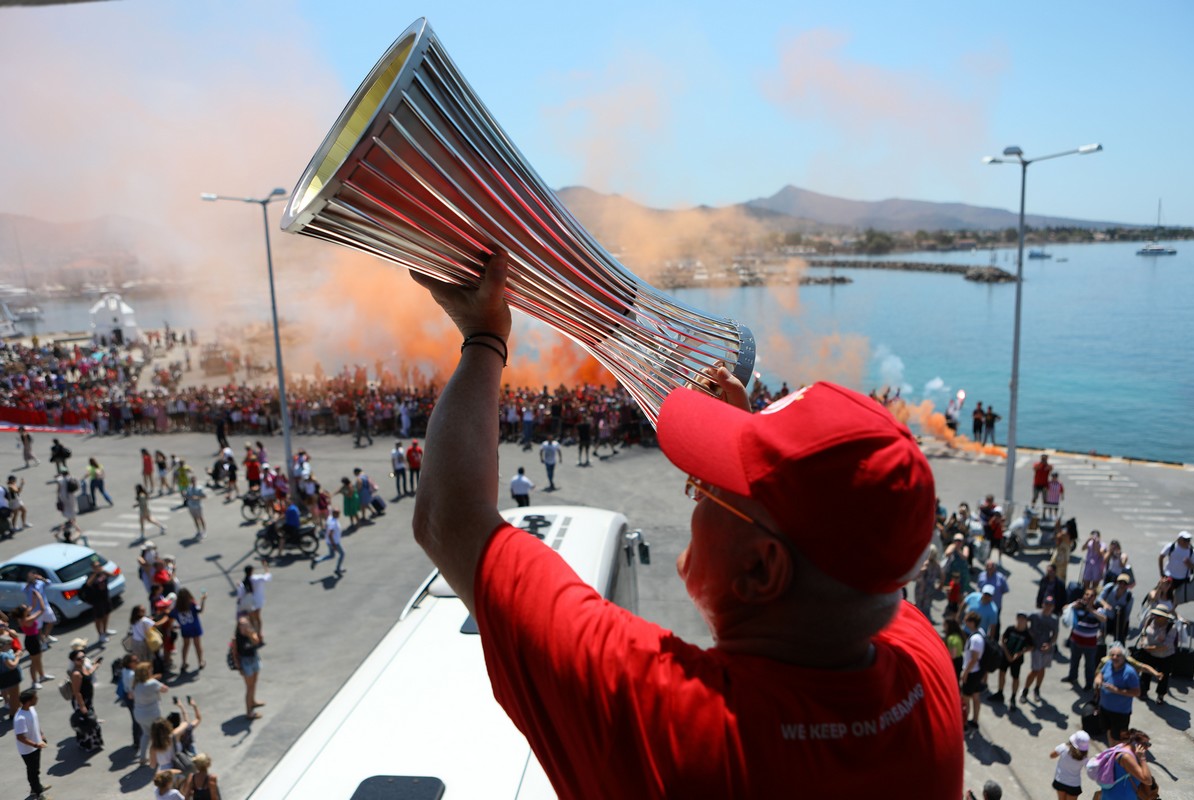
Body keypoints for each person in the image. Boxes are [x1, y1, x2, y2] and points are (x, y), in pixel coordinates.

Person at [409, 252, 963, 796]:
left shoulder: (672, 724)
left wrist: (484, 336)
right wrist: (755, 461)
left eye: (708, 488)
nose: (697, 491)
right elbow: (858, 546)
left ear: (762, 569)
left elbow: (448, 516)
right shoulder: (926, 673)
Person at [1094, 642, 1141, 746]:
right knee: (1109, 731)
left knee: (1120, 738)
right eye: (1112, 655)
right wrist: (1098, 679)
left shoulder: (1130, 673)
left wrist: (1116, 690)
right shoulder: (1108, 664)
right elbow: (1100, 674)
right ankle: (1112, 751)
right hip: (1105, 708)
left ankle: (1120, 756)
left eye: (1118, 656)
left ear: (1124, 657)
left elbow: (1137, 692)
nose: (1114, 657)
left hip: (1120, 712)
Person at [990, 612, 1034, 709]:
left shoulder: (1027, 634)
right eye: (1019, 618)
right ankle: (1000, 693)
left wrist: (1020, 653)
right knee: (1002, 673)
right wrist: (1006, 653)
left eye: (1023, 619)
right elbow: (1003, 640)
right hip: (1006, 656)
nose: (1021, 620)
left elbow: (1031, 647)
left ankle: (1013, 697)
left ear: (1026, 621)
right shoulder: (1011, 629)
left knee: (1015, 677)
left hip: (1017, 659)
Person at [1064, 588, 1104, 690]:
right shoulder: (1078, 606)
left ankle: (1089, 683)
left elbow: (1103, 618)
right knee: (1074, 660)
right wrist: (1073, 606)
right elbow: (1065, 609)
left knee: (1089, 665)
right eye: (1086, 595)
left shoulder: (1098, 608)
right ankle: (1072, 677)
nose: (1088, 597)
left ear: (1095, 598)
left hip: (1090, 643)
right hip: (1076, 640)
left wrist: (1090, 609)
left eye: (1091, 596)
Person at [1021, 596, 1059, 703]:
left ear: (1053, 607)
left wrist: (1050, 644)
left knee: (1042, 669)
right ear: (1043, 604)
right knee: (1035, 670)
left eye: (1050, 605)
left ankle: (1037, 689)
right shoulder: (1034, 615)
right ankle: (1025, 691)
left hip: (1046, 649)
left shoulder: (1054, 619)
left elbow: (1055, 634)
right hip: (1036, 647)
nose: (1047, 607)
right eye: (1046, 604)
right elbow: (1023, 619)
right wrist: (1028, 633)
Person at [1135, 608, 1177, 704]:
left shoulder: (1171, 627)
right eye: (1155, 614)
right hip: (1149, 654)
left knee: (1163, 676)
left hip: (1165, 656)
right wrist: (1143, 642)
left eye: (1159, 616)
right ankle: (1144, 691)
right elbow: (1143, 633)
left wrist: (1150, 648)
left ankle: (1160, 695)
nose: (1155, 617)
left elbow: (1166, 645)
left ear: (1165, 618)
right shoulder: (1150, 620)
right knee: (1146, 673)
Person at [14, 687, 50, 799]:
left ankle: (35, 788)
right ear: (29, 701)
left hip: (36, 746)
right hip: (28, 750)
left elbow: (36, 724)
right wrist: (35, 744)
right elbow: (20, 737)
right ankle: (39, 794)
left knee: (36, 769)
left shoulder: (31, 709)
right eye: (35, 697)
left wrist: (41, 735)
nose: (37, 699)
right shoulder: (20, 718)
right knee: (32, 772)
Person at [131, 660, 169, 765]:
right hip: (152, 714)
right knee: (157, 736)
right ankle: (158, 758)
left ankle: (142, 757)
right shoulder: (153, 683)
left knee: (146, 734)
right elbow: (165, 689)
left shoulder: (136, 684)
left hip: (139, 714)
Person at [1100, 729, 1154, 799]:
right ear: (1135, 744)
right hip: (1120, 796)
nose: (1147, 748)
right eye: (1146, 744)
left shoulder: (1121, 747)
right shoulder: (1127, 757)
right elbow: (1148, 781)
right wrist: (1142, 759)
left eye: (1149, 744)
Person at [68, 647, 104, 751]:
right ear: (74, 661)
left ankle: (94, 742)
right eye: (79, 659)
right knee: (86, 723)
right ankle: (87, 744)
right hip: (81, 702)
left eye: (83, 657)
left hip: (88, 700)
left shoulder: (83, 668)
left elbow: (90, 671)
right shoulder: (76, 674)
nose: (82, 659)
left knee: (90, 721)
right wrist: (82, 706)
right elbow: (76, 692)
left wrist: (96, 664)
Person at [960, 609, 988, 732]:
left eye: (967, 620)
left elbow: (974, 659)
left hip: (972, 672)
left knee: (966, 699)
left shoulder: (975, 639)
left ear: (972, 622)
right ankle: (975, 721)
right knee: (976, 697)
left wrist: (965, 673)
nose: (965, 622)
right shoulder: (980, 633)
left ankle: (964, 723)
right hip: (978, 672)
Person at [235, 612, 265, 720]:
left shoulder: (250, 634)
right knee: (249, 687)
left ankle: (253, 701)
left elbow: (257, 642)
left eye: (246, 624)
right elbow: (234, 653)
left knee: (254, 683)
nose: (245, 626)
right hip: (246, 662)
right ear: (239, 626)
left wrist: (251, 634)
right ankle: (249, 711)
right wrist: (239, 667)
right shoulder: (236, 638)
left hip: (254, 658)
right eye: (243, 624)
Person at [171, 589, 207, 672]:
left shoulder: (177, 608)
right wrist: (203, 600)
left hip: (185, 629)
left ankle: (184, 663)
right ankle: (200, 661)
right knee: (197, 645)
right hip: (195, 627)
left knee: (185, 645)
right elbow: (200, 610)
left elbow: (171, 615)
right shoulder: (191, 604)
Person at [83, 559, 117, 643]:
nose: (98, 567)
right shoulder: (91, 575)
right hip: (97, 600)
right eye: (96, 566)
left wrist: (104, 571)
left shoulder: (103, 573)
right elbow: (88, 584)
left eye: (99, 565)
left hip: (105, 597)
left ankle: (105, 630)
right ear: (92, 568)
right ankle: (100, 634)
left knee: (106, 614)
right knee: (99, 618)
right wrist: (95, 573)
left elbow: (113, 574)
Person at [1050, 730, 1091, 800]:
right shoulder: (1084, 758)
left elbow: (1051, 755)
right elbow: (1090, 768)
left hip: (1060, 780)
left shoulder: (1063, 747)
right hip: (1074, 785)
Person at [236, 562, 271, 636]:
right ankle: (259, 633)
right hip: (258, 601)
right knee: (258, 619)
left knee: (252, 619)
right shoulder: (257, 578)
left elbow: (240, 594)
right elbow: (267, 577)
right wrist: (266, 568)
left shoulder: (244, 582)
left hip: (249, 603)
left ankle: (254, 633)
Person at [1098, 574, 1134, 643]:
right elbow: (1099, 598)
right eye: (1120, 582)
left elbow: (1127, 614)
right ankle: (1100, 649)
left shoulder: (1129, 596)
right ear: (1117, 582)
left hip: (1119, 619)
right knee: (1101, 635)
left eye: (1125, 583)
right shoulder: (1110, 587)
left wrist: (1122, 630)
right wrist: (1105, 604)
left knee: (1118, 639)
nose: (1122, 585)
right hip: (1107, 616)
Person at [312, 508, 345, 575]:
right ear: (335, 514)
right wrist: (334, 545)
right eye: (338, 513)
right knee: (342, 554)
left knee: (331, 555)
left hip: (329, 542)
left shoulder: (330, 518)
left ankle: (316, 560)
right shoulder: (333, 523)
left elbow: (326, 526)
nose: (339, 515)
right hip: (335, 542)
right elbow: (330, 534)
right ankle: (338, 569)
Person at [0, 634, 23, 720]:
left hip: (8, 678)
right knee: (14, 697)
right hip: (11, 678)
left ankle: (14, 712)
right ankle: (14, 714)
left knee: (14, 696)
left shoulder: (6, 652)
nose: (11, 645)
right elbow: (12, 665)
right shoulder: (4, 655)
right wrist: (18, 656)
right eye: (9, 643)